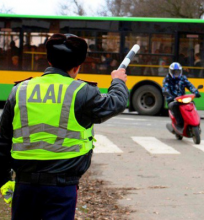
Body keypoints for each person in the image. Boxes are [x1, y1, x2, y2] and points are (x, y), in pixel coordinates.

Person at [0, 33, 129, 220]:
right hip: (62, 187)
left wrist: (4, 180)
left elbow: (3, 141)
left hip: (24, 186)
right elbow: (116, 103)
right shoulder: (82, 92)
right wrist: (117, 80)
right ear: (76, 67)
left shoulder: (18, 91)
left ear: (48, 61)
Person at [162, 62, 200, 132]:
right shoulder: (167, 79)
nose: (176, 73)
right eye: (174, 72)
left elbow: (190, 85)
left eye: (178, 72)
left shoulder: (183, 78)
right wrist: (168, 95)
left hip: (182, 99)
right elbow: (165, 88)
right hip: (172, 99)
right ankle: (179, 123)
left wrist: (196, 92)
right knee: (175, 106)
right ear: (170, 71)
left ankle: (196, 122)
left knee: (192, 104)